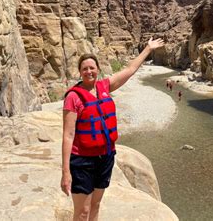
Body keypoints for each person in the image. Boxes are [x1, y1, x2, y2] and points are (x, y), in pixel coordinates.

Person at [61, 37, 164, 221]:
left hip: (105, 157)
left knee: (96, 205)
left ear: (98, 70)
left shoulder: (105, 86)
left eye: (92, 68)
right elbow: (68, 135)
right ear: (80, 72)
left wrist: (148, 49)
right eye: (85, 68)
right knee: (82, 212)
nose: (89, 71)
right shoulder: (73, 97)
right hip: (82, 161)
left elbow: (130, 70)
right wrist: (65, 172)